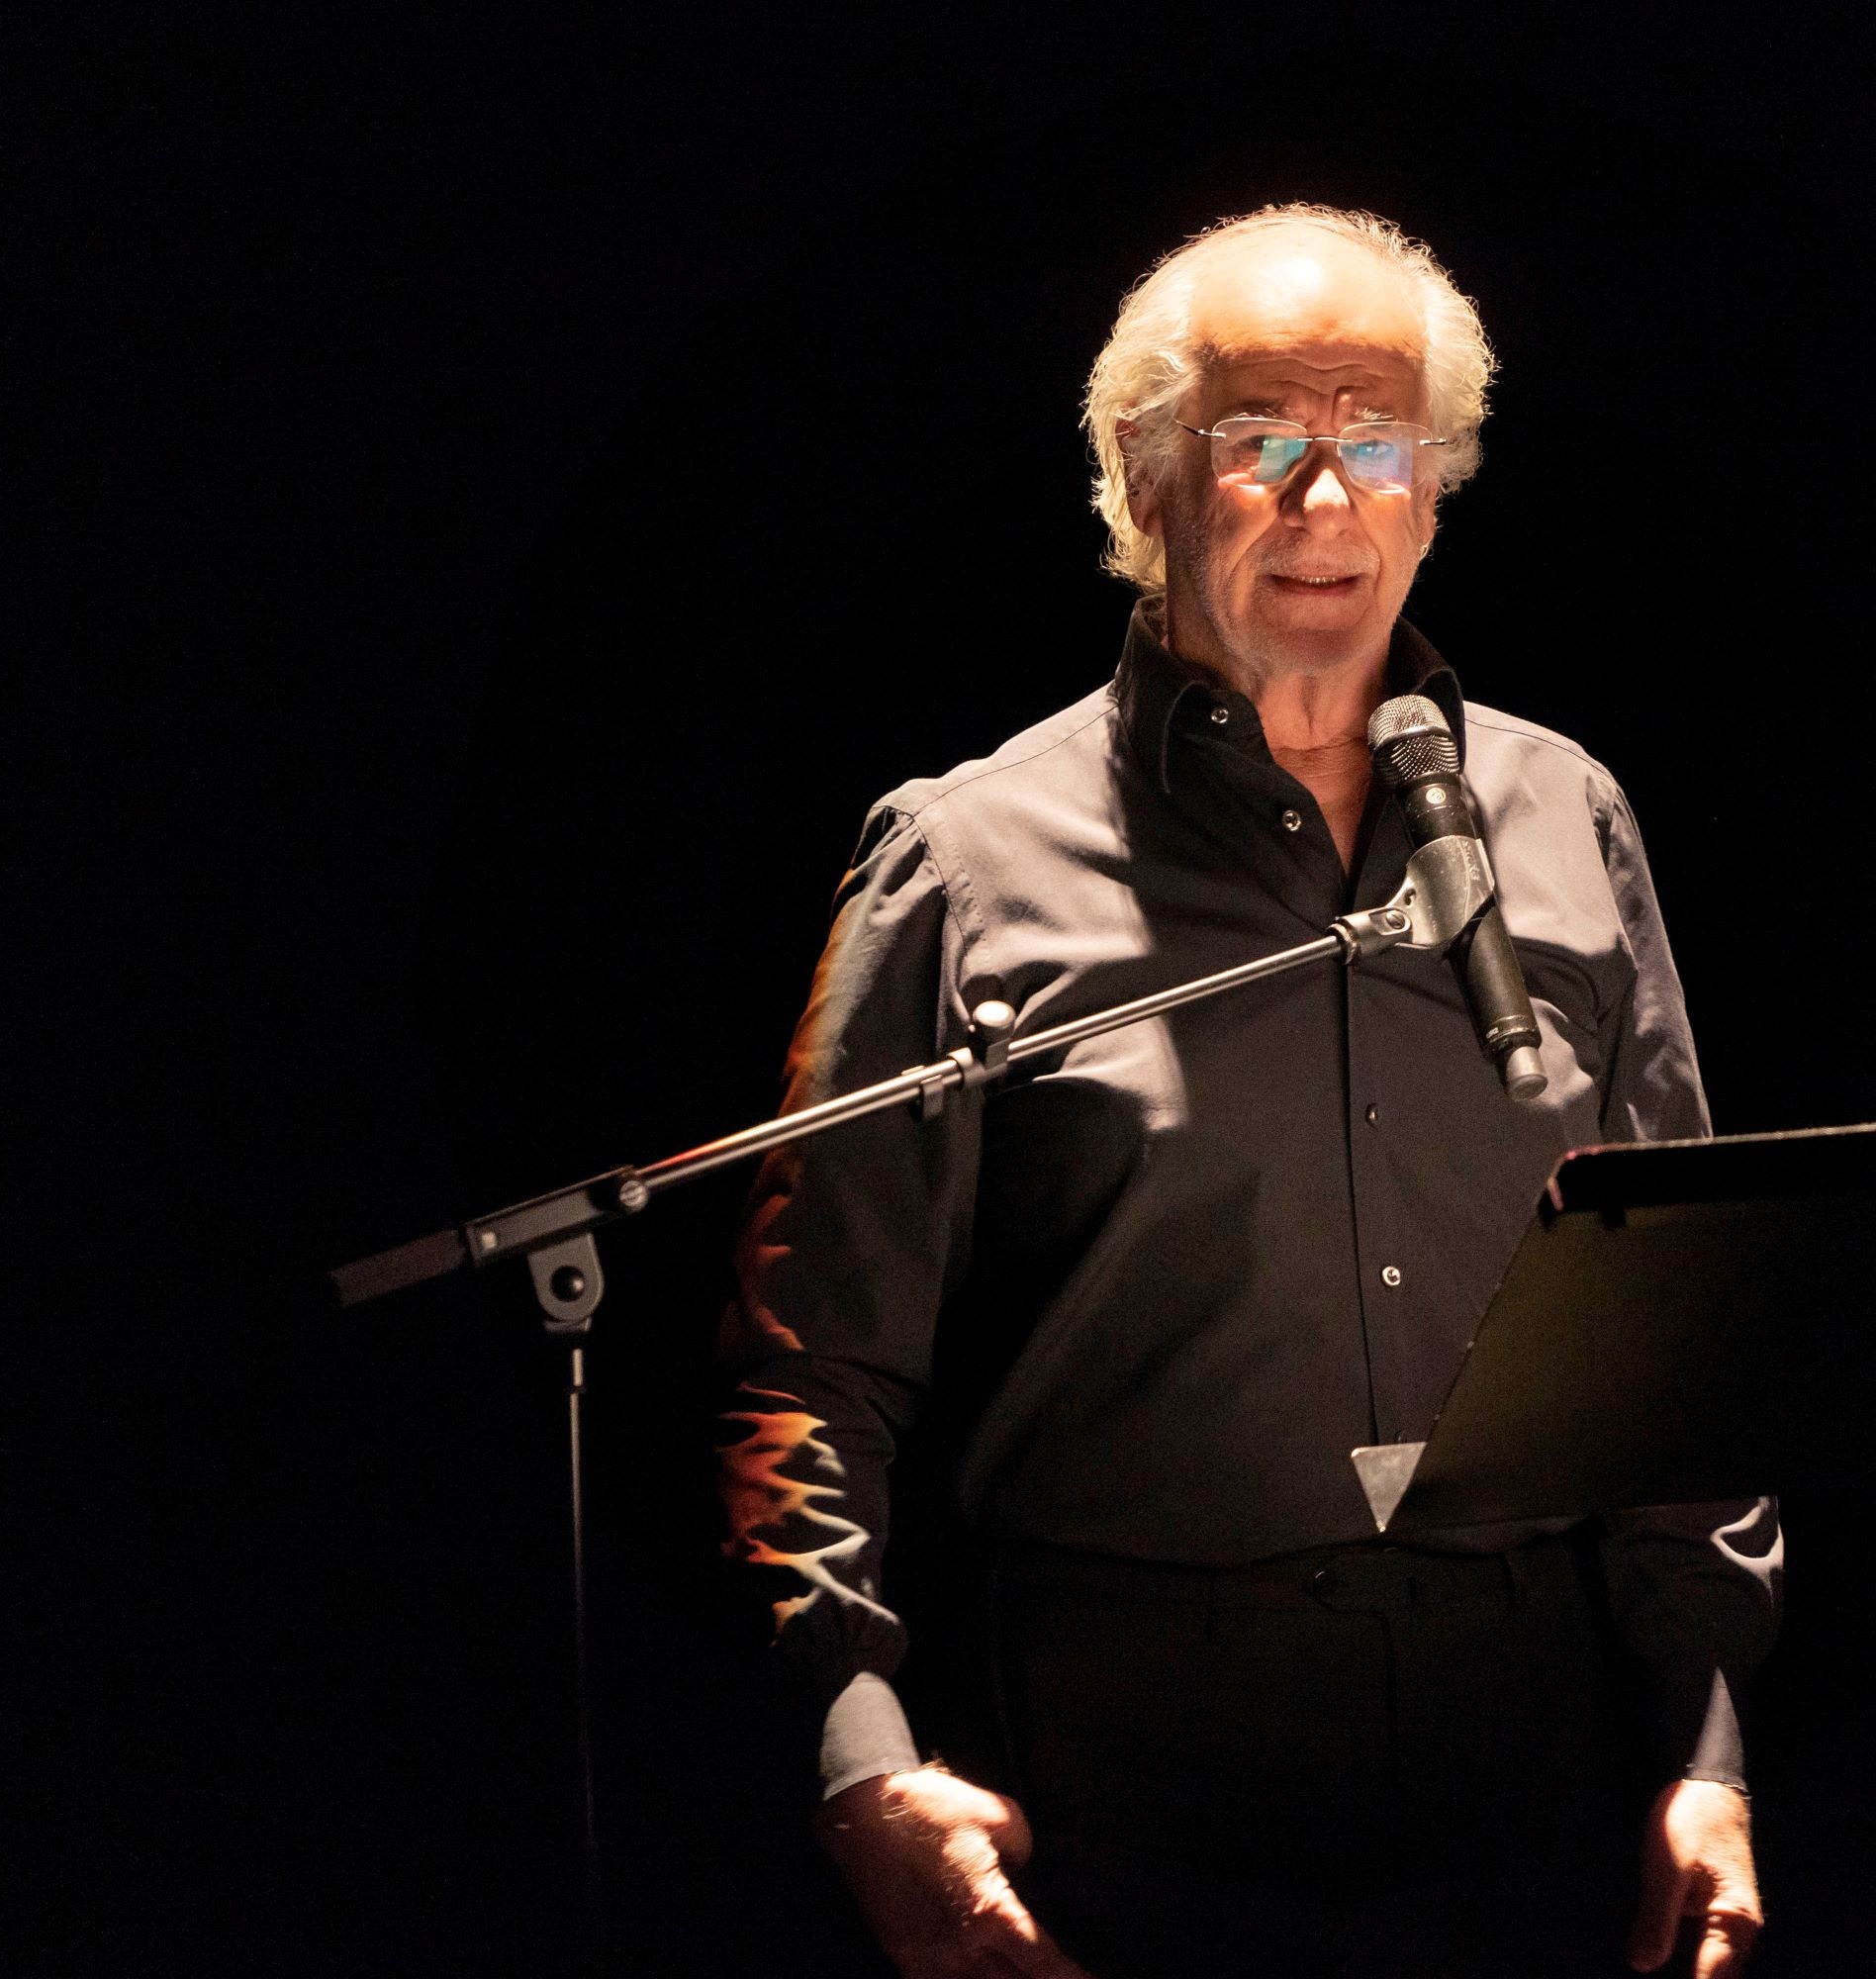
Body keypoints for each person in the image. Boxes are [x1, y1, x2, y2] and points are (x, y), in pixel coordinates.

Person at [716, 205, 1782, 1978]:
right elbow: (807, 1367)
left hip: (1541, 1797)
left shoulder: (1568, 818)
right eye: (1263, 440)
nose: (1326, 497)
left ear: (1435, 491)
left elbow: (1680, 1333)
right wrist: (861, 1764)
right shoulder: (967, 859)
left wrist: (1708, 1751)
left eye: (1378, 442)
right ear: (1144, 481)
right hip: (1117, 1805)